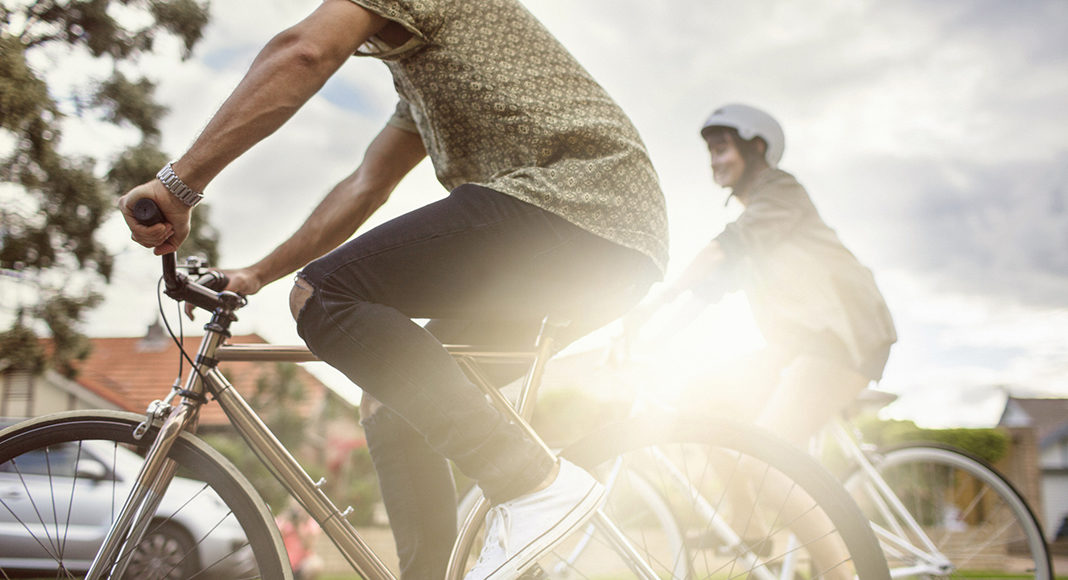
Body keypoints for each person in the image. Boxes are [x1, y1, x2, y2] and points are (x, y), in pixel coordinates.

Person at [118, 1, 668, 579]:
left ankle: (531, 481)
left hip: (578, 207)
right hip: (601, 248)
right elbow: (363, 186)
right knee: (391, 402)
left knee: (324, 296)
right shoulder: (422, 80)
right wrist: (256, 274)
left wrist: (179, 184)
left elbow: (304, 51)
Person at [627, 103, 895, 448]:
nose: (714, 162)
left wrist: (654, 302)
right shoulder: (756, 226)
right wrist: (652, 342)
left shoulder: (780, 190)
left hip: (844, 335)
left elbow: (721, 249)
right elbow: (706, 292)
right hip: (802, 345)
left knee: (766, 458)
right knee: (705, 409)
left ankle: (775, 488)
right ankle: (747, 503)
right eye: (710, 153)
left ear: (757, 147)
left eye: (722, 149)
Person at [276, 500, 323, 580]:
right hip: (282, 559)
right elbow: (275, 537)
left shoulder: (311, 523)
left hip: (301, 563)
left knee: (316, 564)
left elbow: (308, 545)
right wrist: (286, 519)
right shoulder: (284, 520)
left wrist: (298, 526)